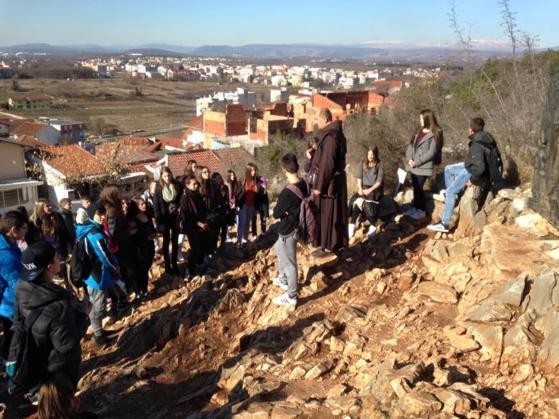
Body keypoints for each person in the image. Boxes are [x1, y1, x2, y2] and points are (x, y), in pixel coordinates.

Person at [7, 241, 88, 395]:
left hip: (34, 361)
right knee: (60, 404)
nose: (59, 257)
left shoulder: (20, 288)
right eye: (56, 256)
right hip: (56, 370)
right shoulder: (58, 305)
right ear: (49, 267)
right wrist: (84, 315)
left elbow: (18, 323)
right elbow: (67, 346)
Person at [428, 117, 496, 233]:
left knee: (450, 191)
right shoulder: (486, 137)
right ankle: (453, 197)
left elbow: (480, 167)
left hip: (472, 170)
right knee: (448, 169)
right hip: (470, 165)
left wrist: (474, 180)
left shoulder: (477, 144)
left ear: (471, 129)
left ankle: (444, 223)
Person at [76, 207, 119, 345]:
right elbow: (104, 255)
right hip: (97, 275)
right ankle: (98, 334)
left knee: (97, 302)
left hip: (92, 273)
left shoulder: (89, 229)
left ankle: (98, 330)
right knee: (98, 305)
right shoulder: (95, 233)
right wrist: (115, 268)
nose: (102, 217)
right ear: (91, 214)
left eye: (104, 215)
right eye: (99, 214)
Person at [271, 153, 308, 307]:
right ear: (297, 167)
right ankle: (283, 279)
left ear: (284, 169)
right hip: (295, 226)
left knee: (290, 264)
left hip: (289, 230)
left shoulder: (287, 192)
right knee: (278, 248)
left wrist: (285, 212)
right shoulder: (303, 184)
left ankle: (291, 295)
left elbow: (276, 213)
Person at [311, 108, 348, 253]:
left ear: (325, 119)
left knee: (330, 214)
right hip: (336, 181)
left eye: (318, 119)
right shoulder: (335, 134)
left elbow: (328, 163)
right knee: (334, 213)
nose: (316, 122)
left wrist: (320, 186)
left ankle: (330, 246)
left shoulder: (331, 137)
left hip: (330, 184)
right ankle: (333, 245)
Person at [405, 109, 443, 220]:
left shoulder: (436, 132)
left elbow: (432, 152)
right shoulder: (419, 130)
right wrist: (409, 159)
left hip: (423, 166)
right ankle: (416, 208)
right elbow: (411, 145)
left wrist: (417, 162)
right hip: (413, 164)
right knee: (416, 188)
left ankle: (421, 211)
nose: (420, 120)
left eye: (422, 118)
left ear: (427, 119)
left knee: (419, 187)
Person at [0, 211, 28, 364]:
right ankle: (14, 379)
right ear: (14, 230)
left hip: (18, 306)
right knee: (14, 346)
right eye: (24, 228)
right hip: (10, 310)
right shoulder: (4, 255)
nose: (26, 231)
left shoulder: (11, 247)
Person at [348, 146, 384, 239]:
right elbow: (359, 178)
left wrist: (370, 190)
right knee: (357, 201)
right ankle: (351, 225)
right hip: (364, 188)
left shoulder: (380, 165)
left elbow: (379, 182)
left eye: (372, 154)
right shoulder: (362, 163)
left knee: (363, 202)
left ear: (376, 154)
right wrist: (360, 188)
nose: (370, 156)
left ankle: (373, 225)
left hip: (375, 189)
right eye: (369, 154)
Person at [179, 175, 209, 281]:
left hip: (201, 225)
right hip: (191, 227)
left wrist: (204, 221)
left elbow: (203, 210)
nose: (196, 186)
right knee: (195, 248)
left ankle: (200, 266)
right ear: (187, 185)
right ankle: (190, 271)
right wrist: (198, 223)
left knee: (202, 247)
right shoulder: (185, 198)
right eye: (194, 184)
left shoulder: (197, 195)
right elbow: (186, 215)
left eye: (197, 184)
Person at [153, 167, 182, 275]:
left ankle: (174, 264)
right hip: (164, 218)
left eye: (168, 175)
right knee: (166, 242)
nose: (167, 178)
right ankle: (167, 265)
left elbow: (180, 200)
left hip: (175, 217)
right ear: (161, 176)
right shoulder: (159, 188)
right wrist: (158, 221)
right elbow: (156, 205)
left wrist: (178, 208)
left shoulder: (176, 185)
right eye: (164, 176)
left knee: (175, 241)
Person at [126, 197, 156, 300]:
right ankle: (139, 291)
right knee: (139, 270)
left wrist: (153, 234)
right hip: (139, 249)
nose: (144, 205)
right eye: (141, 204)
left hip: (149, 246)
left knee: (146, 268)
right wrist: (144, 237)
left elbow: (152, 228)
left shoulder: (147, 215)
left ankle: (144, 289)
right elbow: (132, 236)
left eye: (145, 203)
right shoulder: (132, 220)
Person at [236, 163, 262, 248]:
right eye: (251, 170)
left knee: (247, 223)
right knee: (242, 223)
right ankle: (239, 242)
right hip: (243, 204)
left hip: (252, 205)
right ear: (248, 171)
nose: (253, 172)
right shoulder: (242, 180)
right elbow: (238, 193)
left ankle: (245, 239)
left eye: (254, 170)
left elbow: (259, 194)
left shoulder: (257, 180)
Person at [251, 175, 269, 239]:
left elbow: (266, 202)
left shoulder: (263, 191)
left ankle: (263, 231)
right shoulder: (252, 192)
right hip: (254, 207)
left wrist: (267, 213)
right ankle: (254, 234)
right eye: (256, 183)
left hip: (262, 207)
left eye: (259, 183)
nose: (258, 185)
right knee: (253, 220)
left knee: (263, 219)